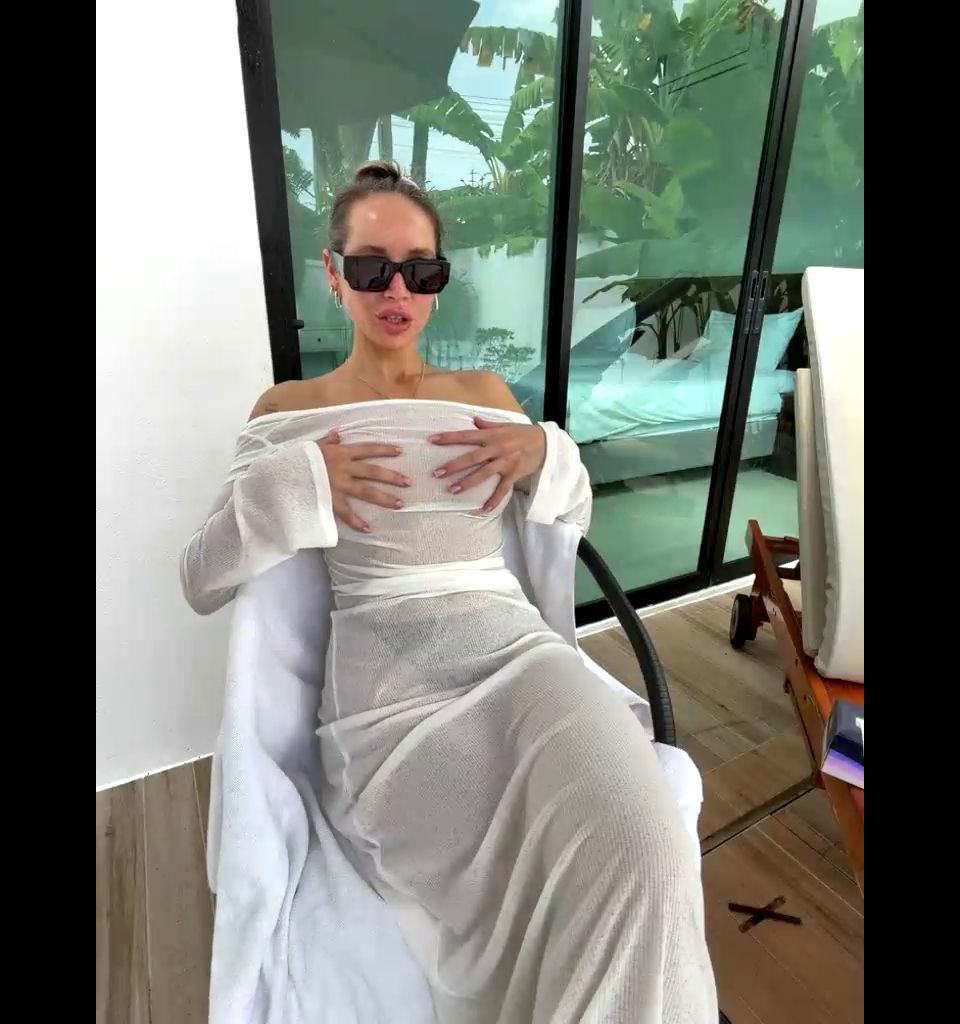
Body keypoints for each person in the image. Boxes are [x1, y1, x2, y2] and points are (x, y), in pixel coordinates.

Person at [181, 161, 717, 1023]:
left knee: (646, 848)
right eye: (371, 268)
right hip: (389, 695)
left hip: (519, 654)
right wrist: (297, 482)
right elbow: (201, 577)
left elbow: (570, 518)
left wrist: (549, 455)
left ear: (440, 281)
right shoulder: (289, 410)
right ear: (334, 275)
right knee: (515, 878)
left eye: (420, 270)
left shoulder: (486, 397)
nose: (396, 290)